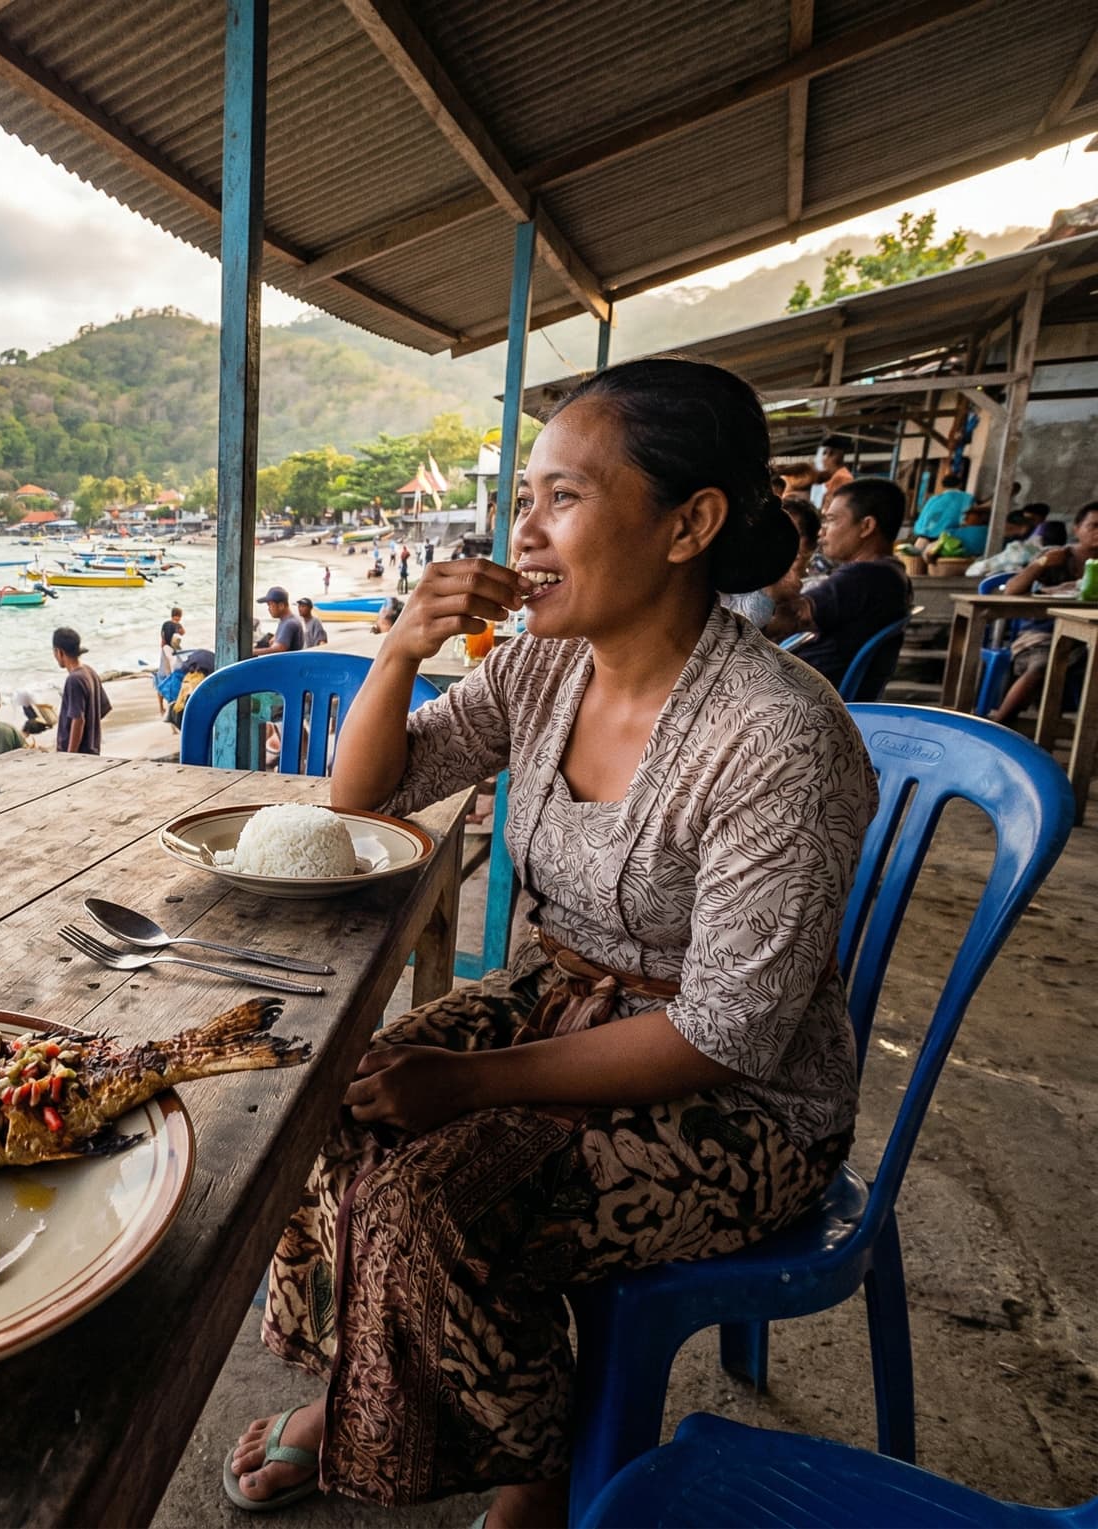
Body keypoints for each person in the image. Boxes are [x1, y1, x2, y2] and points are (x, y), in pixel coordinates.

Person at [225, 358, 870, 1524]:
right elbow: (370, 795)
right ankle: (363, 1381)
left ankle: (531, 1468)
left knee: (432, 1193)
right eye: (524, 498)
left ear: (689, 524)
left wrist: (470, 1080)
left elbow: (725, 1030)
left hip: (745, 1099)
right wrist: (393, 652)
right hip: (564, 998)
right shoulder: (539, 664)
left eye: (562, 498)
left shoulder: (777, 737)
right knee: (327, 1092)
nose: (522, 534)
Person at [778, 476, 912, 696]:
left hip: (806, 696)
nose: (822, 531)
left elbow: (789, 618)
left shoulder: (865, 576)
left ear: (866, 526)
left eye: (831, 520)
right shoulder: (893, 574)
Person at [988, 500, 1098, 726]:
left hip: (1090, 639)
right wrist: (1040, 565)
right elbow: (1011, 590)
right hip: (1043, 636)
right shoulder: (1056, 555)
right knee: (1042, 665)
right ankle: (1001, 724)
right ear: (1076, 528)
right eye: (1093, 526)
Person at [723, 495, 819, 639]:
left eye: (793, 537)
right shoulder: (742, 579)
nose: (779, 545)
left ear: (811, 545)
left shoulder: (815, 588)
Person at [51, 626, 110, 755]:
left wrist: (70, 754)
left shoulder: (74, 680)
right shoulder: (90, 671)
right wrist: (90, 732)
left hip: (79, 754)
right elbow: (104, 708)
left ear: (59, 652)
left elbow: (78, 719)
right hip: (92, 749)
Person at [911, 468, 974, 543]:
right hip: (945, 536)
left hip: (921, 533)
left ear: (943, 485)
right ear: (960, 484)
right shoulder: (967, 498)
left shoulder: (934, 499)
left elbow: (924, 517)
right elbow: (964, 520)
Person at [253, 586, 306, 653]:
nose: (269, 609)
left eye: (270, 605)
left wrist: (252, 651)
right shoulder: (287, 620)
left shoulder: (289, 624)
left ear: (281, 606)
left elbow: (278, 649)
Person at [809, 435, 853, 508]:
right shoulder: (835, 477)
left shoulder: (842, 478)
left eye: (823, 454)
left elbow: (832, 507)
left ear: (833, 455)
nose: (821, 459)